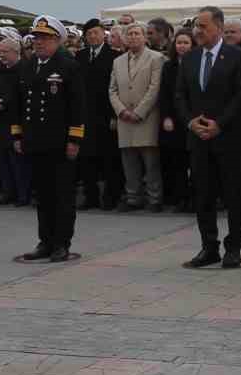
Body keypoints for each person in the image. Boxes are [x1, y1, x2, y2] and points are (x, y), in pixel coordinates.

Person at [176, 5, 241, 268]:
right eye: (196, 26)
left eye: (203, 26)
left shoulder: (238, 56)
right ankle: (209, 247)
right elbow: (180, 94)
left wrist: (219, 124)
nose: (198, 31)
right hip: (198, 138)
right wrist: (190, 121)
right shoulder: (189, 58)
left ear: (219, 28)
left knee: (234, 195)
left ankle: (234, 249)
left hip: (228, 137)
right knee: (203, 195)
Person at [11, 15, 87, 261]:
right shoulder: (27, 65)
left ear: (58, 40)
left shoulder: (68, 65)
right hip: (35, 140)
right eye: (36, 38)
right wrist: (17, 134)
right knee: (42, 195)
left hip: (59, 141)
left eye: (44, 38)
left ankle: (61, 243)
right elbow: (18, 104)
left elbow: (78, 106)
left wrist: (74, 140)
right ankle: (45, 241)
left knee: (62, 195)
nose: (39, 43)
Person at [109, 23, 165, 212]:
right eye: (129, 34)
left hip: (147, 117)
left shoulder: (157, 58)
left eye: (136, 33)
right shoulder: (118, 61)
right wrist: (121, 111)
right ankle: (133, 197)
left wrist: (139, 112)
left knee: (151, 162)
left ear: (144, 37)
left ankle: (154, 198)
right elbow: (112, 90)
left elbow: (154, 88)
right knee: (129, 162)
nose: (132, 37)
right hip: (124, 118)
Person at [76, 19, 121, 210]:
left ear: (104, 34)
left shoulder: (115, 56)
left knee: (109, 158)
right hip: (85, 115)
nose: (93, 36)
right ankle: (90, 196)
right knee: (87, 158)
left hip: (106, 114)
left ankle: (111, 197)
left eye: (96, 32)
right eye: (89, 34)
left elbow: (116, 88)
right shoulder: (79, 56)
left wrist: (114, 115)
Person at [0, 33, 31, 207]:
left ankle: (22, 195)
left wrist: (2, 102)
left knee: (18, 160)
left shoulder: (25, 68)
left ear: (15, 51)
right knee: (2, 159)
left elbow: (21, 94)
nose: (1, 55)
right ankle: (7, 192)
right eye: (0, 51)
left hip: (16, 120)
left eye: (4, 51)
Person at [158, 29, 195, 213]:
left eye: (186, 43)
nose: (182, 46)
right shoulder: (168, 66)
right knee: (177, 162)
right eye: (179, 43)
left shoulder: (197, 63)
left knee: (194, 163)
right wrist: (166, 117)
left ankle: (196, 199)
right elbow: (164, 94)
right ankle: (181, 198)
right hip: (174, 119)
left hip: (193, 118)